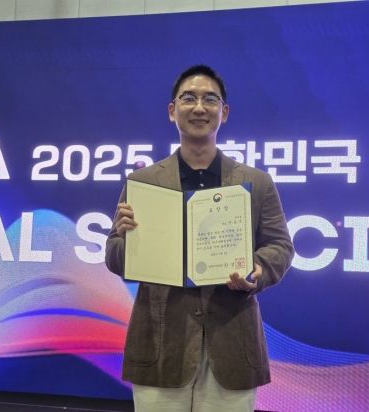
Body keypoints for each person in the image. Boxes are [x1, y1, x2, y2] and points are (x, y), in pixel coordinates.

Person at [105, 65, 294, 412]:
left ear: (224, 112)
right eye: (188, 98)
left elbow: (280, 246)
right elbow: (115, 257)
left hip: (232, 344)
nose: (199, 107)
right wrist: (123, 237)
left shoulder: (256, 182)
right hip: (160, 345)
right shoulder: (144, 183)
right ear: (172, 110)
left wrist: (257, 270)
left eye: (210, 99)